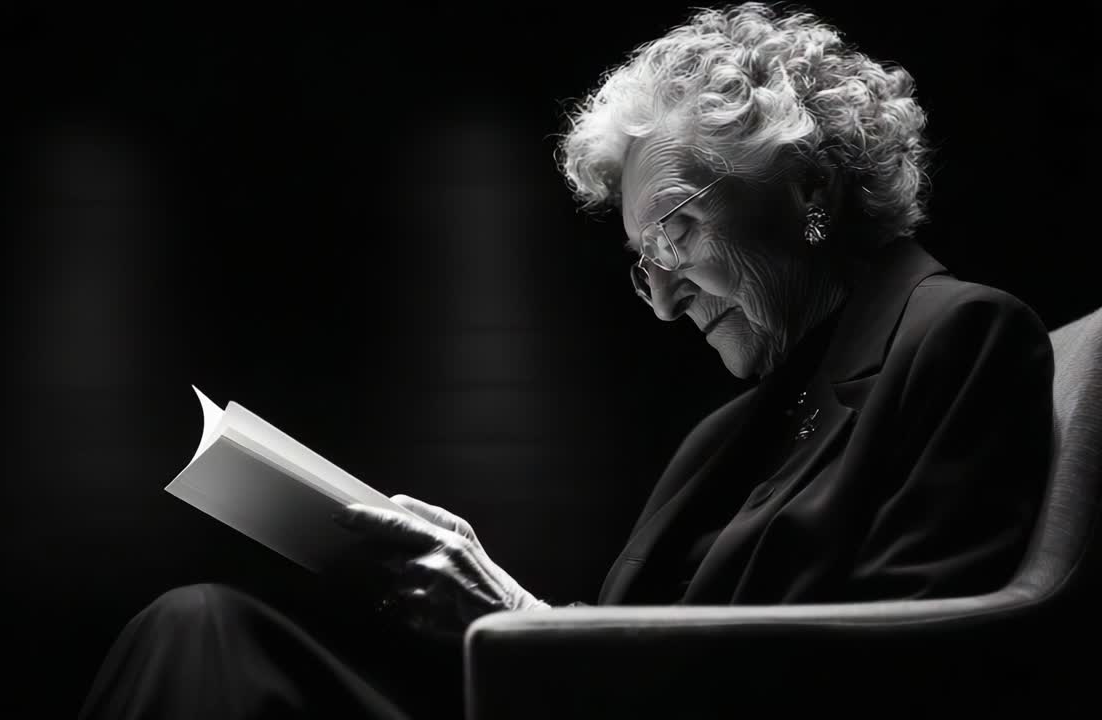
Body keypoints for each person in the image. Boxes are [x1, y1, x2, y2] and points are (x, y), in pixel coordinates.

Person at [79, 3, 1053, 718]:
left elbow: (910, 673)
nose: (665, 298)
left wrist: (513, 616)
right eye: (642, 264)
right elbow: (612, 656)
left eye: (674, 235)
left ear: (806, 192)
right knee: (197, 625)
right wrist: (494, 616)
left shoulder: (955, 332)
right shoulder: (732, 429)